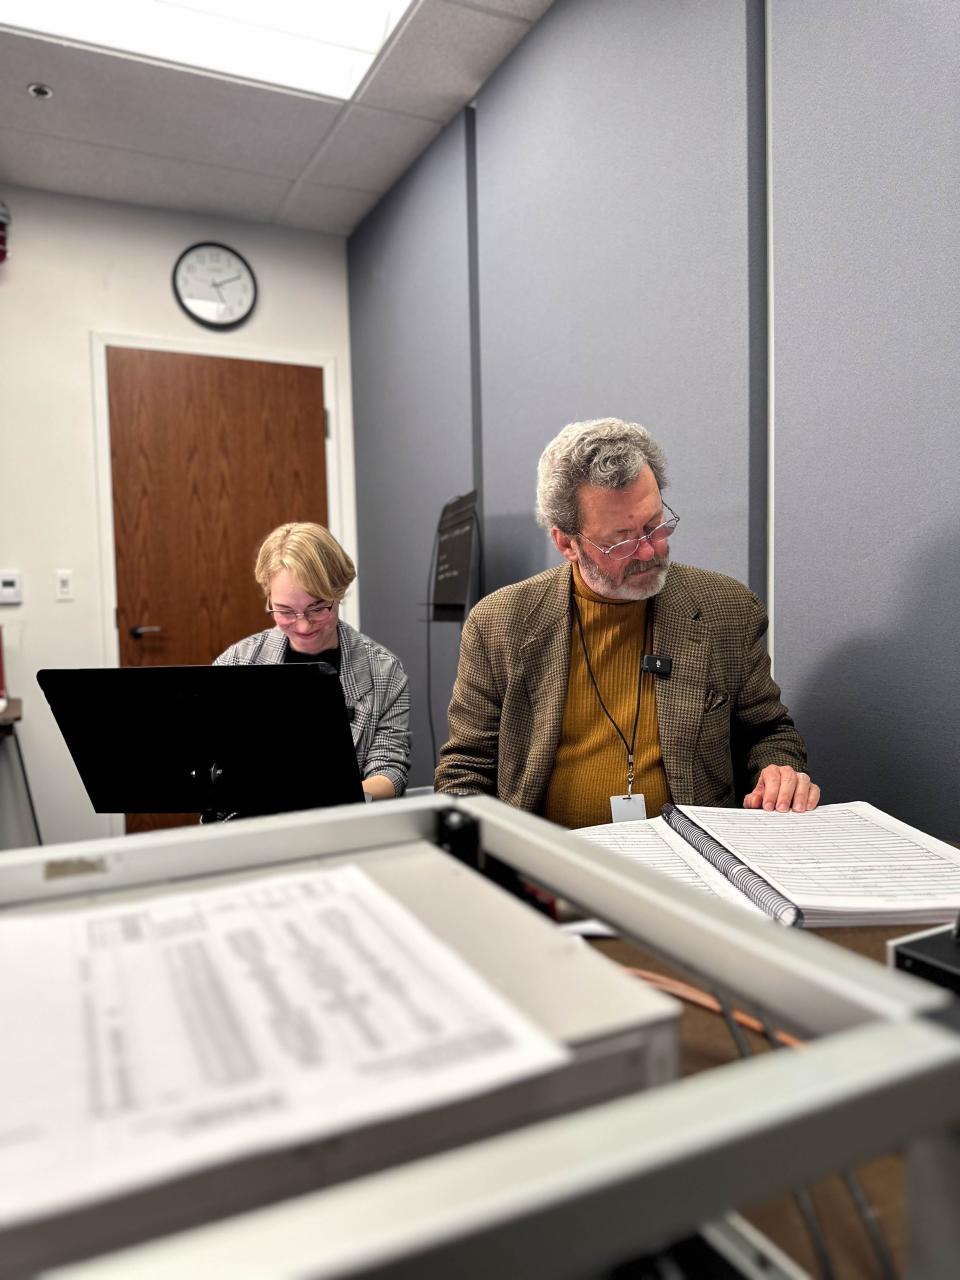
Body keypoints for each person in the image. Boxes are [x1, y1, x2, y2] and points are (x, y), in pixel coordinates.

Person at [435, 419, 819, 827]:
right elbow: (465, 769)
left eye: (655, 525)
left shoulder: (727, 609)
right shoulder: (499, 623)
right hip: (549, 863)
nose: (651, 550)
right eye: (621, 540)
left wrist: (778, 771)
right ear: (567, 543)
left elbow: (768, 732)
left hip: (693, 861)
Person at [215, 522, 410, 801]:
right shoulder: (234, 664)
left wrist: (320, 797)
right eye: (284, 611)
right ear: (268, 597)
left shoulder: (384, 671)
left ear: (338, 592)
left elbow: (390, 772)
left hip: (341, 827)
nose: (303, 626)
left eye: (317, 608)